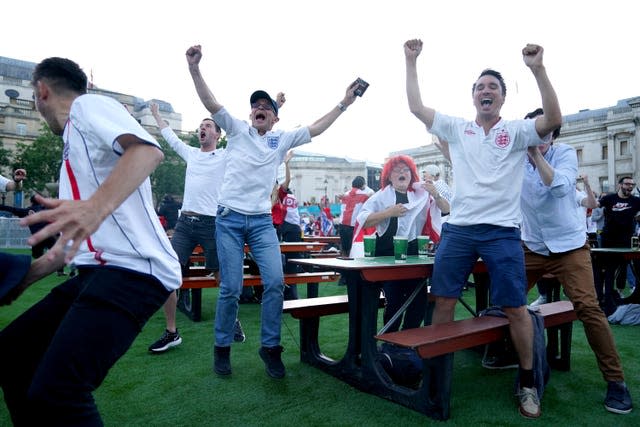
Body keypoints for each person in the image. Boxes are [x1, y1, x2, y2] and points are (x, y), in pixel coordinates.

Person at [0, 57, 181, 425]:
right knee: (12, 354)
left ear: (41, 92)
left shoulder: (87, 105)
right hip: (96, 273)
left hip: (133, 270)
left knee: (59, 391)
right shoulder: (73, 148)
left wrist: (94, 207)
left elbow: (148, 151)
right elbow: (75, 242)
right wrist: (31, 273)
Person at [404, 39, 562, 419]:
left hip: (502, 232)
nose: (485, 91)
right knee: (442, 300)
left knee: (515, 307)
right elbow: (415, 107)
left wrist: (538, 69)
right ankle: (437, 377)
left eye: (492, 87)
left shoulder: (518, 131)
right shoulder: (458, 129)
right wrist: (410, 61)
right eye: (480, 87)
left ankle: (527, 383)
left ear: (502, 98)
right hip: (458, 229)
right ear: (473, 97)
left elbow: (553, 121)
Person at [187, 44, 363, 379]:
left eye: (266, 106)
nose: (260, 109)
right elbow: (211, 103)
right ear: (250, 113)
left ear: (275, 117)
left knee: (276, 281)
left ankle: (270, 348)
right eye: (256, 106)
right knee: (231, 287)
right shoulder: (237, 129)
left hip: (261, 222)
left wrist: (344, 103)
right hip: (229, 220)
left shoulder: (280, 140)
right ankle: (221, 347)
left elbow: (316, 127)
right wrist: (195, 69)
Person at [520, 108, 633, 415]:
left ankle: (616, 382)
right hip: (532, 245)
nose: (538, 137)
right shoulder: (516, 159)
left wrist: (534, 154)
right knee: (508, 299)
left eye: (545, 133)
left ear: (553, 136)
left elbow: (557, 187)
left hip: (569, 247)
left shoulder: (566, 154)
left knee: (588, 307)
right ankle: (504, 355)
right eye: (533, 131)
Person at [147, 101, 246, 353]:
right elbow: (169, 136)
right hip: (185, 224)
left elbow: (245, 136)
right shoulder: (191, 153)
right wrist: (157, 114)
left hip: (213, 224)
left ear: (217, 134)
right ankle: (171, 332)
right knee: (169, 271)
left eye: (208, 126)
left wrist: (272, 109)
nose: (202, 128)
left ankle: (232, 321)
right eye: (200, 126)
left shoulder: (225, 155)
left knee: (220, 276)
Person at [357, 155, 448, 333]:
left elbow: (446, 209)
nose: (401, 173)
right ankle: (390, 339)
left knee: (419, 301)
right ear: (389, 176)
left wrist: (435, 193)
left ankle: (408, 338)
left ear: (411, 174)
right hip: (388, 256)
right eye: (396, 170)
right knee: (395, 300)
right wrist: (388, 212)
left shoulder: (421, 195)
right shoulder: (380, 197)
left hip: (414, 254)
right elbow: (363, 221)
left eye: (405, 170)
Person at [596, 177, 640, 314]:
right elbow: (594, 206)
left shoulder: (636, 201)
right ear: (620, 185)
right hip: (609, 242)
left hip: (627, 242)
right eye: (627, 184)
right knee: (609, 272)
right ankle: (607, 302)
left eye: (632, 185)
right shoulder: (609, 198)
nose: (630, 187)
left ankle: (634, 297)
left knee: (634, 268)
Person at [0, 193, 67, 276]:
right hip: (48, 235)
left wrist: (1, 206)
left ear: (31, 202)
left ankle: (42, 267)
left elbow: (12, 209)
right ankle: (60, 271)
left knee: (37, 255)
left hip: (37, 237)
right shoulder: (46, 209)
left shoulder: (26, 211)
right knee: (57, 253)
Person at [338, 176, 374, 257]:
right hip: (353, 226)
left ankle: (343, 267)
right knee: (352, 249)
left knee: (344, 249)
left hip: (342, 225)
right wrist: (365, 186)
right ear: (362, 186)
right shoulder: (365, 195)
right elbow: (373, 194)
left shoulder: (345, 194)